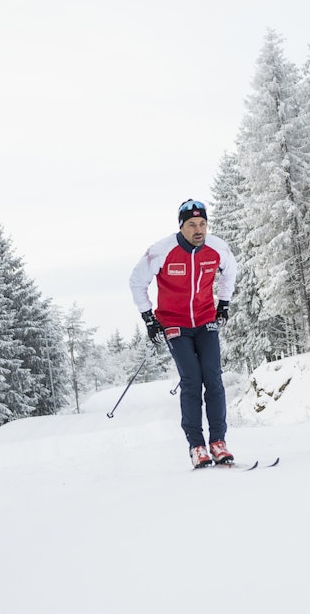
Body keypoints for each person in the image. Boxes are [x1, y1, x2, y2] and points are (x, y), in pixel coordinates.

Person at [129, 199, 237, 468]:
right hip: (175, 324)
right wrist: (149, 318)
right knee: (191, 379)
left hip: (205, 319)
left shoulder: (216, 247)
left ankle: (218, 442)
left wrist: (223, 304)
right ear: (181, 226)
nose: (198, 230)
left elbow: (230, 272)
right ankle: (197, 446)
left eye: (202, 224)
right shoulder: (162, 250)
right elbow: (137, 281)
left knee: (213, 377)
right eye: (192, 225)